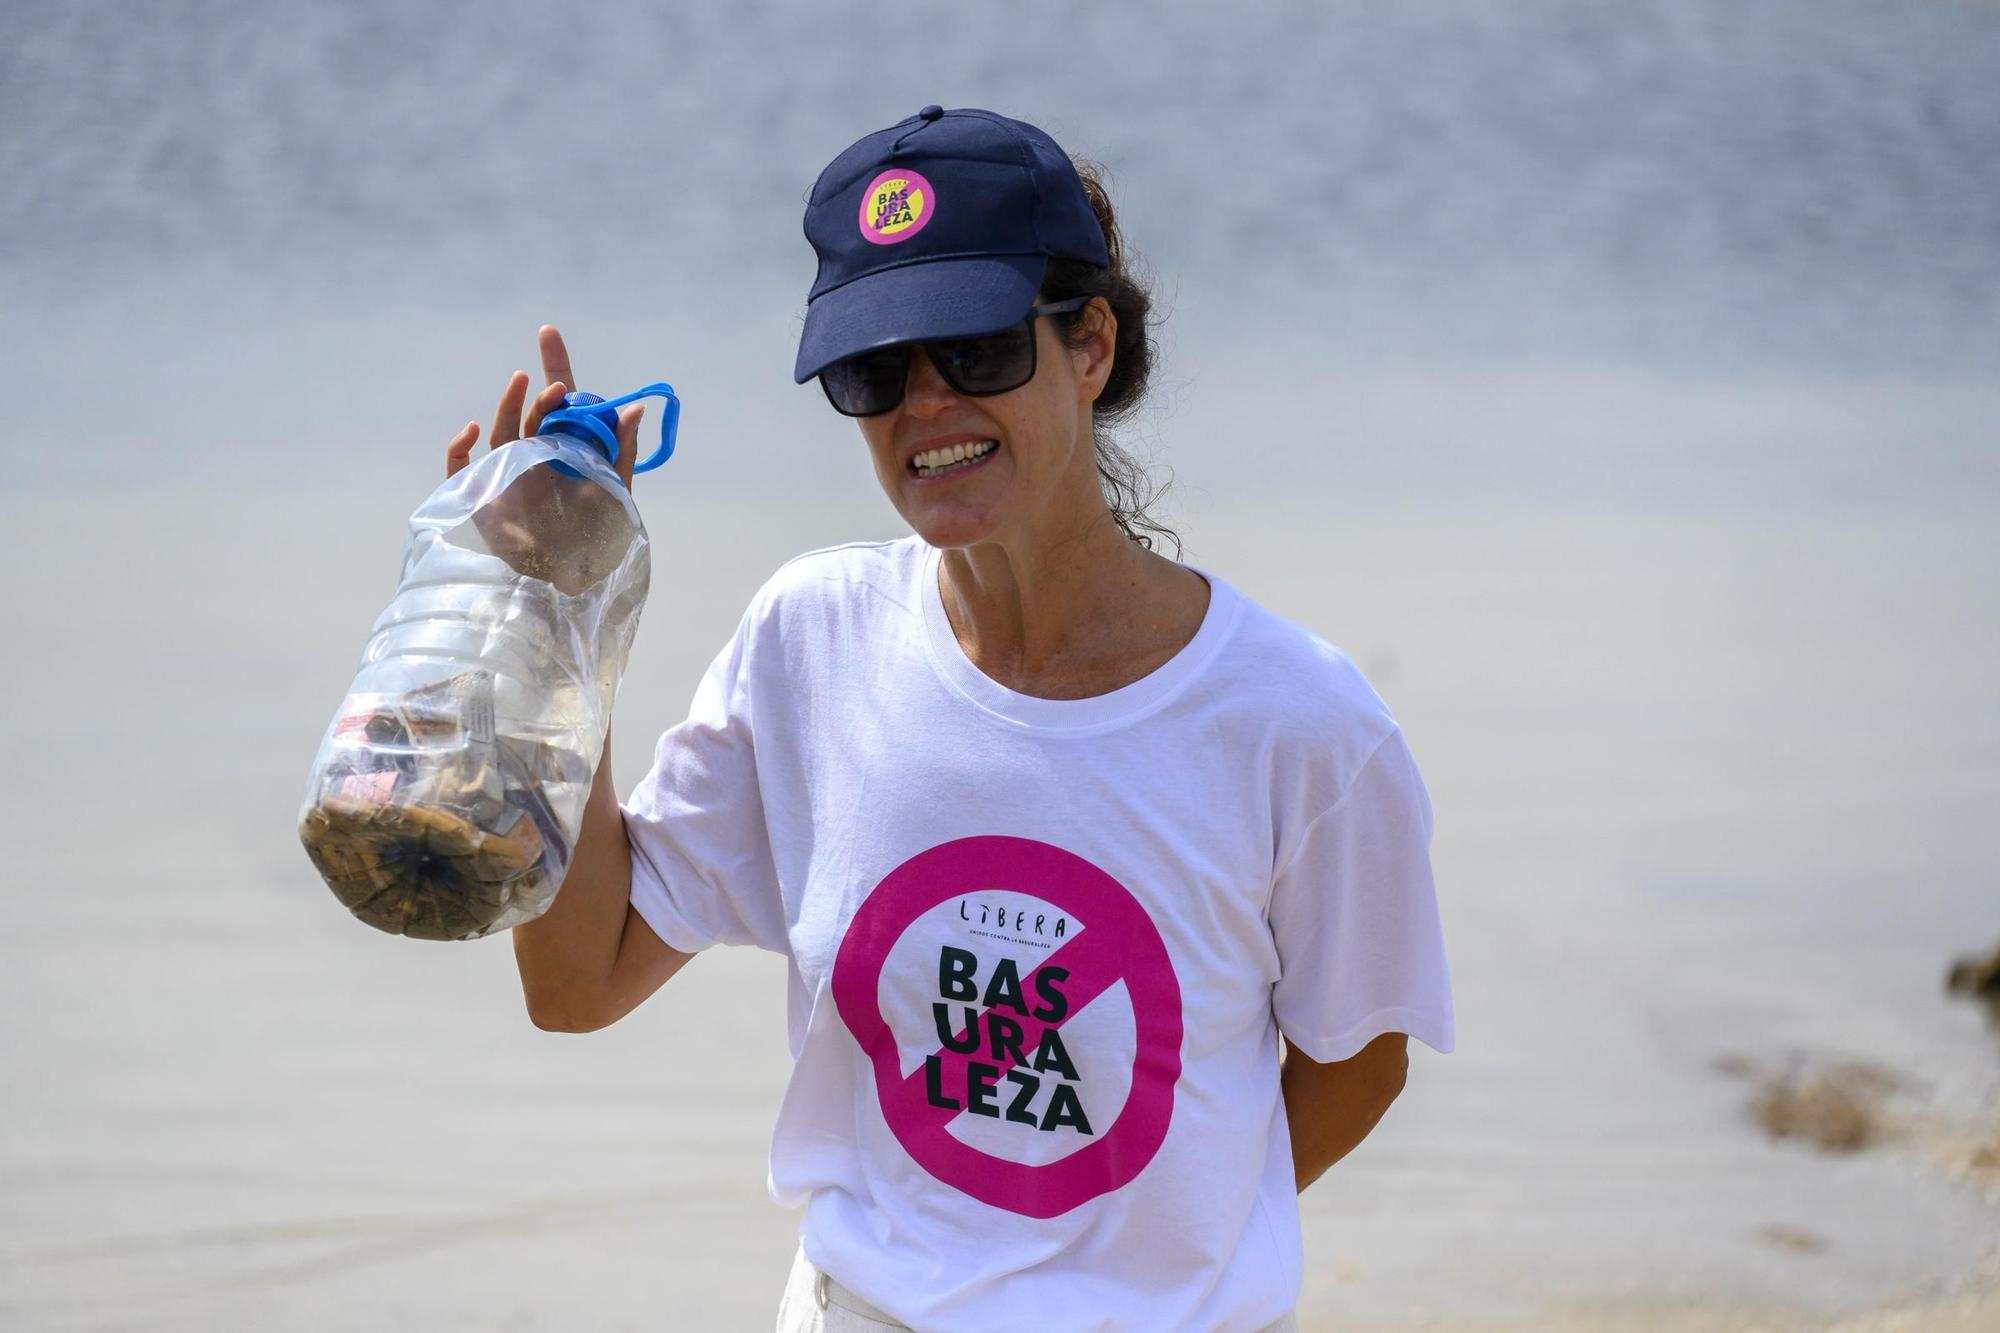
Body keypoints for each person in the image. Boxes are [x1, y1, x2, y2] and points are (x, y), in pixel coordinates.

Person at [447, 106, 1455, 1333]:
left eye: (975, 349)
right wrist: (555, 618)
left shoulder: (1299, 727)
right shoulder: (809, 641)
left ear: (1088, 343)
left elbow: (1360, 1061)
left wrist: (1137, 1248)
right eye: (874, 369)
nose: (925, 404)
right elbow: (576, 978)